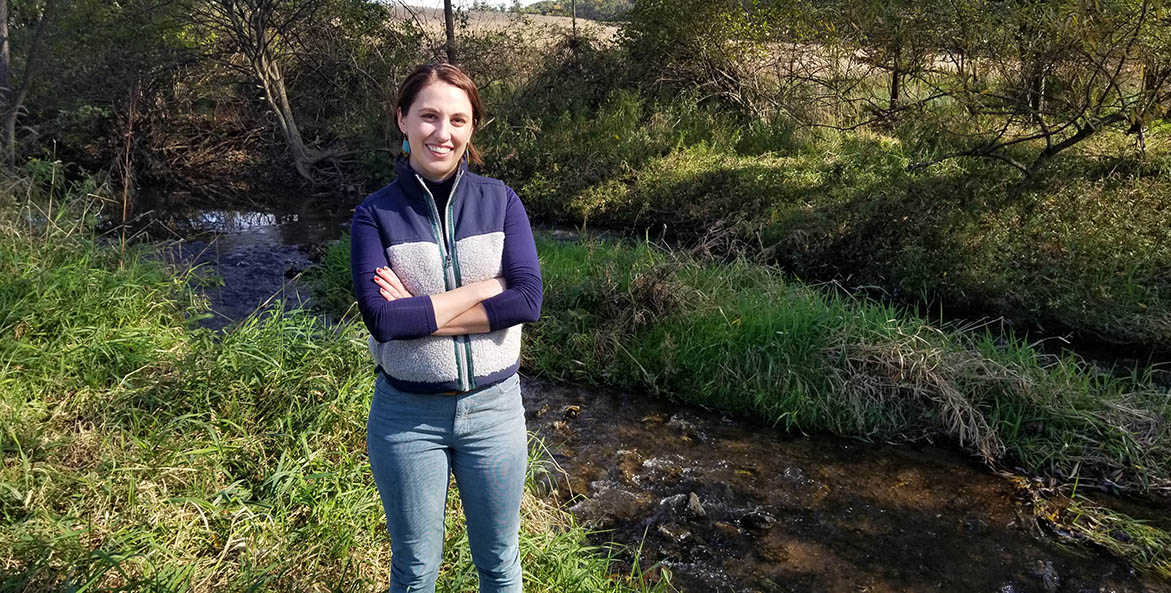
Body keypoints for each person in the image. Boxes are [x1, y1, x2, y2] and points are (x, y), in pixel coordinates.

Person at [349, 63, 543, 593]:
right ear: (402, 121)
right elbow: (383, 319)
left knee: (500, 564)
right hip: (407, 417)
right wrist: (483, 288)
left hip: (495, 413)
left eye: (458, 119)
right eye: (429, 116)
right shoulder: (374, 215)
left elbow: (527, 300)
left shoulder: (501, 201)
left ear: (472, 127)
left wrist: (421, 315)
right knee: (414, 572)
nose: (444, 132)